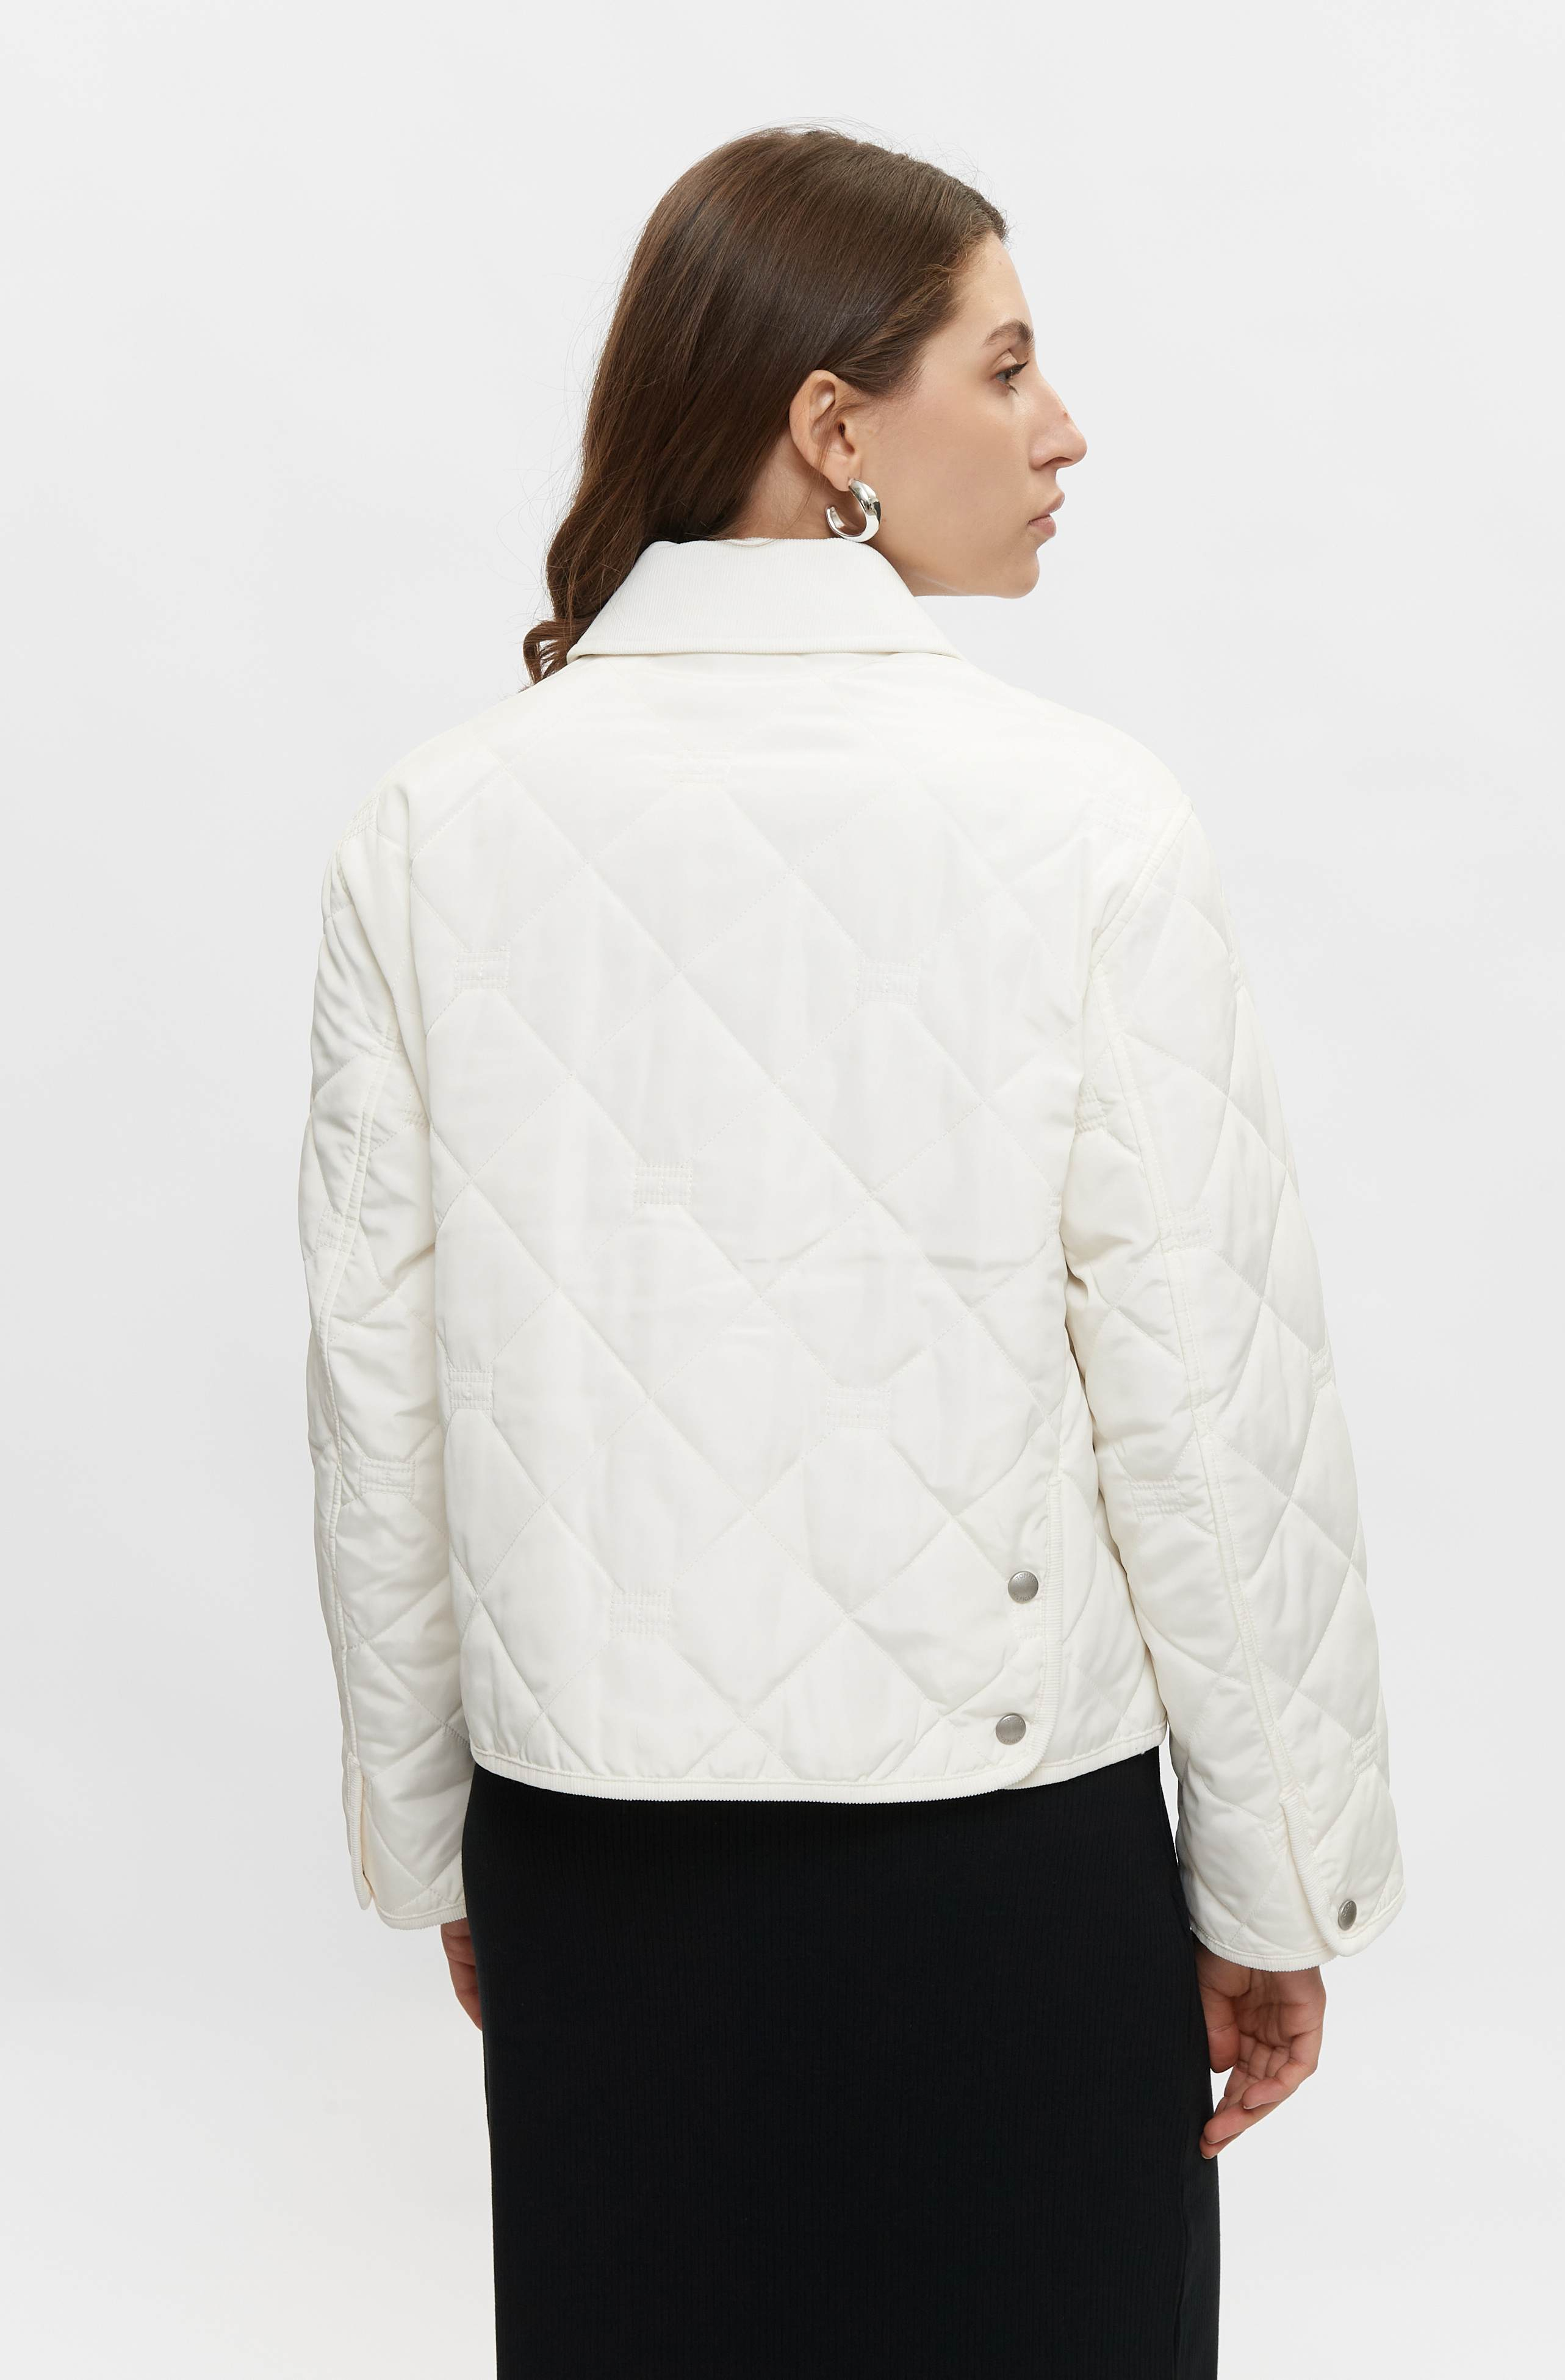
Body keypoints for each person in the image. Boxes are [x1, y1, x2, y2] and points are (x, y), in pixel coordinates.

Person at [297, 124, 1405, 2380]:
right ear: (833, 427)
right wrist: (1275, 1878)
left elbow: (375, 1403)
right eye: (1003, 367)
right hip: (1006, 1881)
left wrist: (437, 1843)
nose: (1061, 428)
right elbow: (1202, 1399)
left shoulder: (434, 827)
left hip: (599, 1872)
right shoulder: (1082, 820)